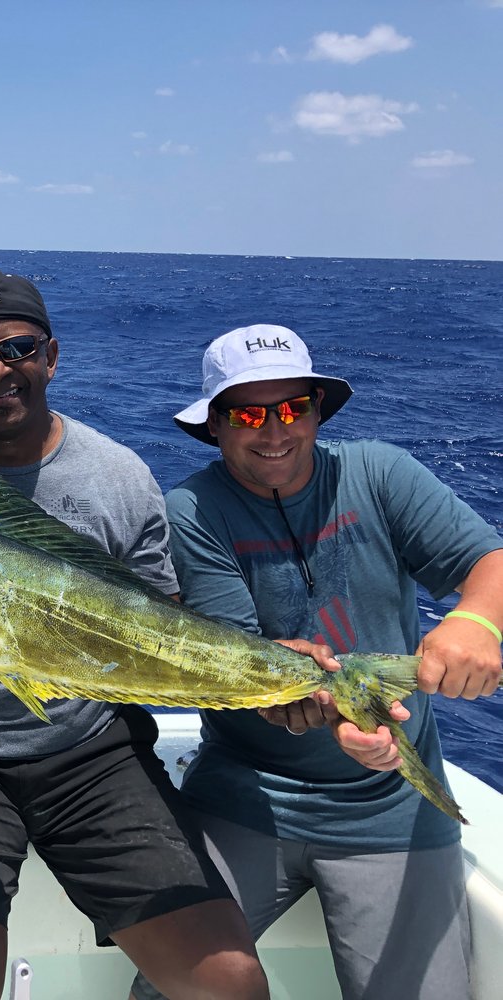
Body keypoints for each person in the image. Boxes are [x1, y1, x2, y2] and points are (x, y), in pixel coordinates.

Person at [0, 271, 267, 1000]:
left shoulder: (118, 477)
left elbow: (158, 625)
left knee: (231, 982)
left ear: (50, 357)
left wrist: (273, 676)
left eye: (16, 348)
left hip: (89, 751)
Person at [132, 324, 503, 1000]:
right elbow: (243, 668)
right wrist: (335, 716)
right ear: (213, 425)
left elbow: (490, 562)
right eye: (247, 413)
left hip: (391, 808)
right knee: (168, 989)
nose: (273, 430)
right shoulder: (191, 510)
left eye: (291, 408)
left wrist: (475, 621)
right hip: (244, 797)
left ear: (315, 411)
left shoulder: (380, 471)